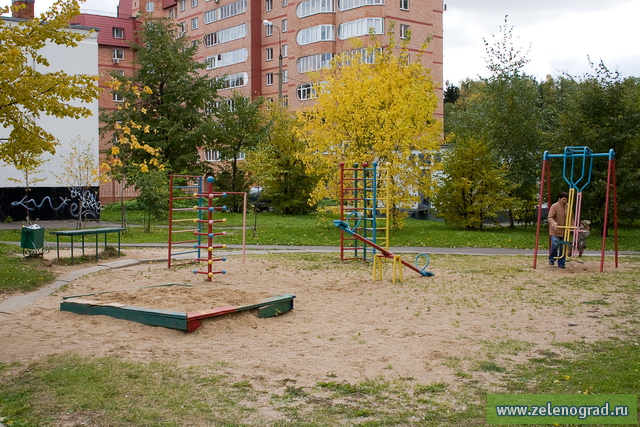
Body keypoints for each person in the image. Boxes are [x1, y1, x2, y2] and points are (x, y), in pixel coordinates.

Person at [548, 191, 569, 268]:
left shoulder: (568, 206)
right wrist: (554, 223)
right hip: (555, 230)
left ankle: (561, 263)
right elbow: (550, 217)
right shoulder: (554, 206)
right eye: (563, 199)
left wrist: (572, 224)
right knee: (555, 244)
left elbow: (571, 217)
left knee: (563, 247)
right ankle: (552, 258)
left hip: (564, 231)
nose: (564, 201)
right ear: (559, 198)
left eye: (565, 199)